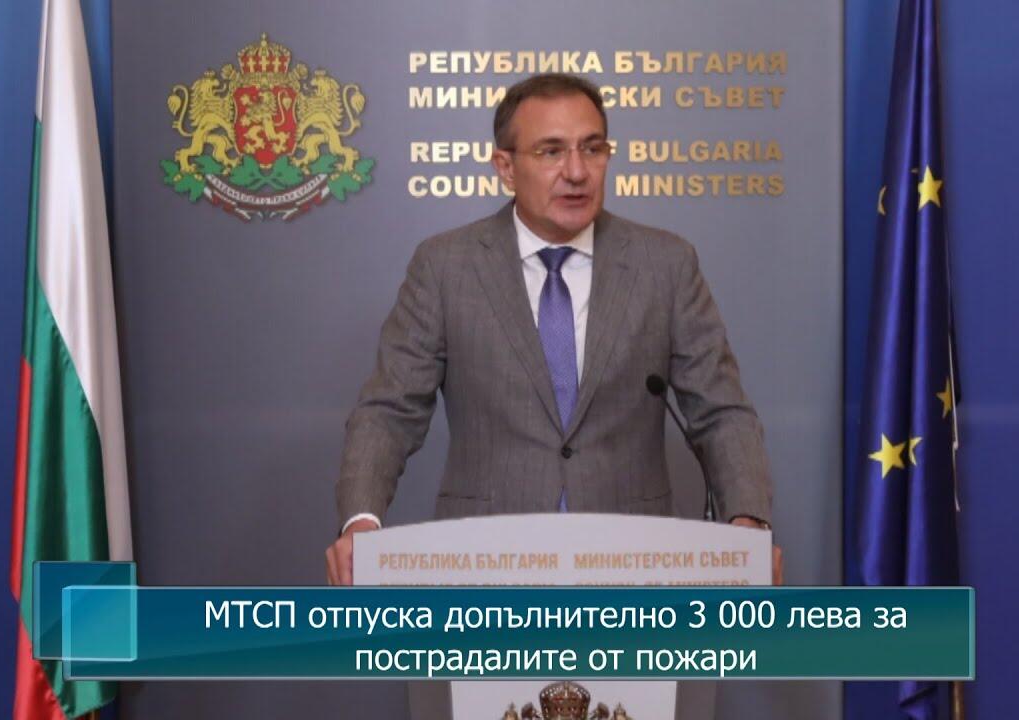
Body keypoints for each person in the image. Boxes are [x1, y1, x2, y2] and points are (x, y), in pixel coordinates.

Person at [325, 73, 781, 585]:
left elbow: (720, 412)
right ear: (505, 167)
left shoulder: (665, 265)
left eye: (593, 148)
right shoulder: (445, 267)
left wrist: (748, 521)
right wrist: (361, 521)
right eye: (551, 152)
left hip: (634, 568)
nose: (577, 172)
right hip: (486, 568)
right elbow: (389, 412)